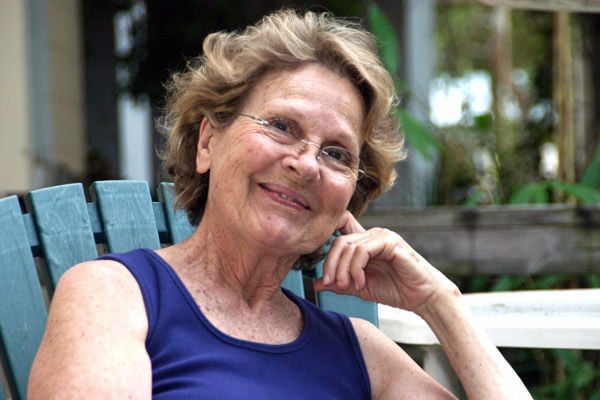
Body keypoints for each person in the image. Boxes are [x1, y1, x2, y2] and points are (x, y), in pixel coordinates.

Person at [28, 9, 532, 399]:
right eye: (282, 126)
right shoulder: (115, 296)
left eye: (337, 154)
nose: (306, 164)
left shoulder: (359, 352)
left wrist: (440, 302)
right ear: (208, 142)